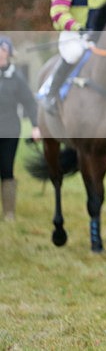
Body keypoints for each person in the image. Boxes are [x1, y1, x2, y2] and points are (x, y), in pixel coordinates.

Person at [0, 36, 41, 221]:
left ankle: (9, 212)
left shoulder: (16, 76)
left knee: (6, 168)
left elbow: (29, 103)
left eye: (3, 50)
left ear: (9, 53)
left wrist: (35, 126)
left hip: (9, 130)